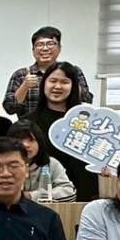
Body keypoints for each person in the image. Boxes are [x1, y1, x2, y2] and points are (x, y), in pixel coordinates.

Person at [32, 61, 98, 201]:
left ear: (74, 87)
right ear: (44, 84)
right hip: (44, 196)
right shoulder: (29, 122)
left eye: (65, 82)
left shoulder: (89, 120)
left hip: (86, 194)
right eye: (53, 81)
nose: (57, 86)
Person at [4, 25, 94, 118]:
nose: (45, 48)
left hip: (64, 125)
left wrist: (71, 81)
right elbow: (10, 108)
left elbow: (87, 100)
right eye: (40, 45)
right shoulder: (21, 74)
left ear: (59, 48)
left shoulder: (74, 71)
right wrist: (24, 86)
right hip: (31, 126)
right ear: (33, 50)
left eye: (50, 44)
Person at [6, 120, 76, 203]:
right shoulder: (3, 165)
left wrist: (32, 196)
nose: (26, 145)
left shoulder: (51, 164)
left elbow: (69, 192)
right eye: (20, 140)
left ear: (39, 142)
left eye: (31, 140)